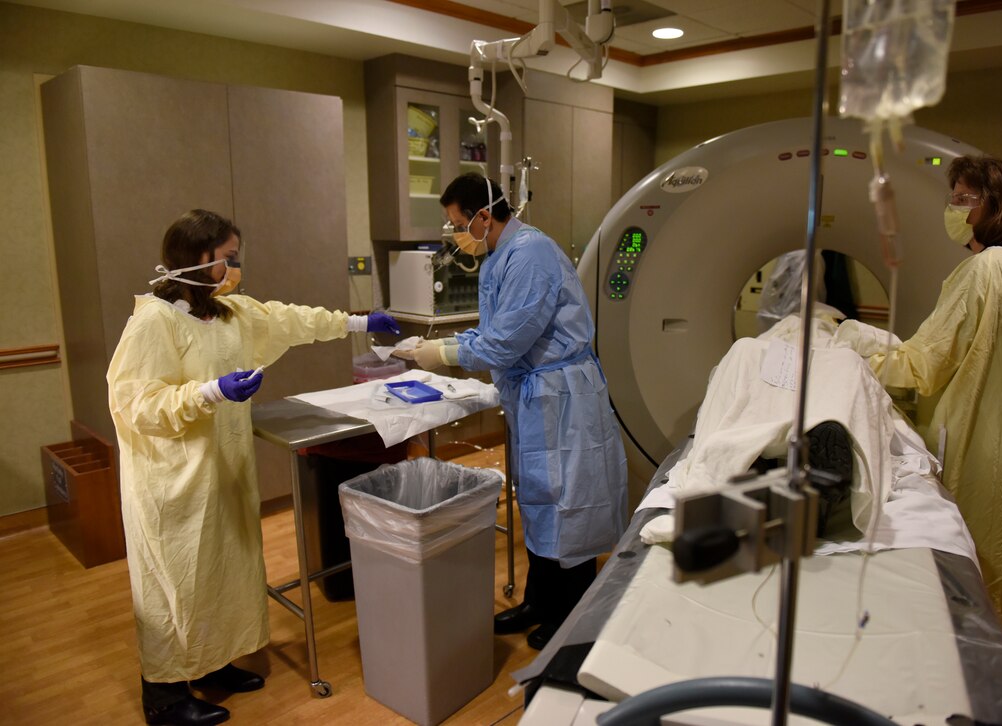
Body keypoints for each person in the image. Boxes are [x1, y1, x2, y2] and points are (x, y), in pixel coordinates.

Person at [106, 209, 400, 725]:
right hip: (173, 482)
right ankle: (165, 693)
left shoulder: (229, 313)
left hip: (224, 472)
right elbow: (136, 404)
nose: (236, 268)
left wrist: (357, 322)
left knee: (226, 572)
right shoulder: (154, 321)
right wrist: (209, 391)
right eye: (228, 258)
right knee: (177, 582)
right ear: (196, 259)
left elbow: (292, 319)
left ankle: (213, 663)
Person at [394, 173, 628, 650]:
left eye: (457, 223)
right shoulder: (499, 256)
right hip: (533, 393)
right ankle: (539, 601)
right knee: (539, 501)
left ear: (483, 216)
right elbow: (494, 332)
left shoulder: (530, 254)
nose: (455, 234)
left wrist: (440, 354)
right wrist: (441, 345)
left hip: (562, 397)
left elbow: (503, 342)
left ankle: (571, 616)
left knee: (567, 504)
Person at [857, 155, 1002, 623]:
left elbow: (926, 365)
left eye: (963, 199)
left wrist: (858, 347)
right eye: (953, 198)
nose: (953, 208)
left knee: (979, 534)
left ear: (997, 206)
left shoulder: (984, 269)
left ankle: (968, 626)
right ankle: (984, 618)